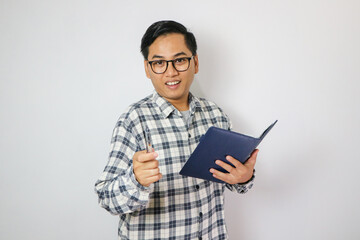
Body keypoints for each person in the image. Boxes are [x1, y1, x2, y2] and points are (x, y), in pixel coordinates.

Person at [95, 20, 258, 240]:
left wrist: (243, 178)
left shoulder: (216, 115)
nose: (171, 72)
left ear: (195, 63)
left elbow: (234, 182)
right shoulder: (133, 120)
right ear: (147, 68)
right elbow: (106, 198)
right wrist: (135, 180)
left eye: (180, 60)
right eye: (159, 63)